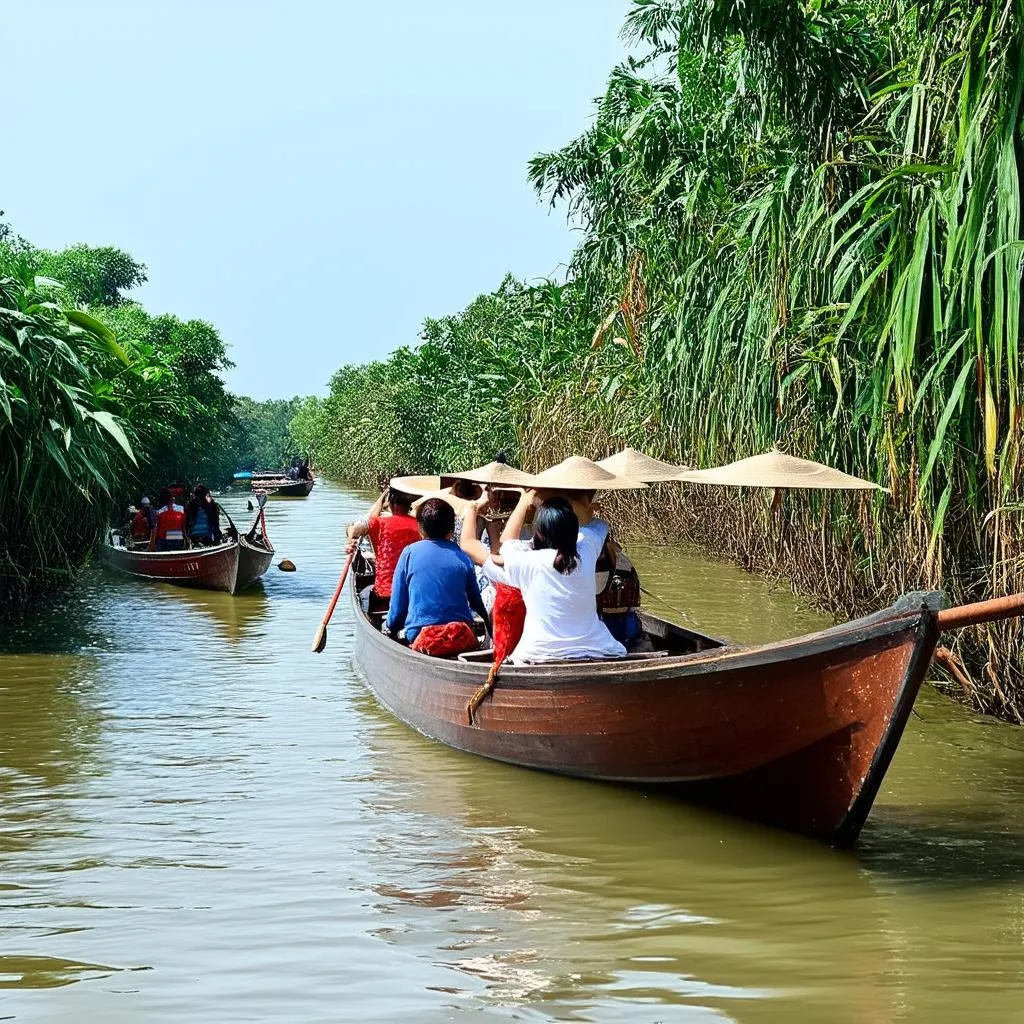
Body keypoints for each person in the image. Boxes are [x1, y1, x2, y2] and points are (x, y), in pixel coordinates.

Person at [480, 490, 625, 664]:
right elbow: (600, 525)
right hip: (601, 650)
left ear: (538, 532)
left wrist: (525, 501)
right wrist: (574, 498)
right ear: (574, 529)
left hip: (537, 656)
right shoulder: (586, 548)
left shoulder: (527, 560)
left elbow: (505, 544)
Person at [386, 498, 489, 656]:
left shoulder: (409, 553)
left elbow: (398, 606)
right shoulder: (463, 557)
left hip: (421, 637)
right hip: (459, 637)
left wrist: (391, 628)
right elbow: (476, 602)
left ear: (420, 528)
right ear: (451, 531)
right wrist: (489, 626)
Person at [346, 487, 421, 606]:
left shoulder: (378, 523)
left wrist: (351, 541)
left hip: (384, 594)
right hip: (414, 594)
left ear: (391, 505)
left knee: (365, 594)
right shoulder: (421, 525)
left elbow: (354, 529)